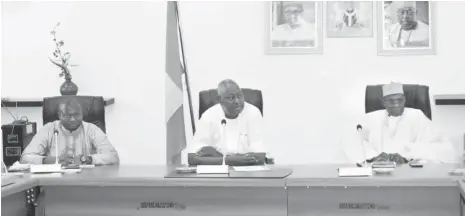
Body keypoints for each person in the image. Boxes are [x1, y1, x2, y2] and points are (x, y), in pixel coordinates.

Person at [343, 82, 459, 165]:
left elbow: (440, 146)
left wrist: (406, 157)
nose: (396, 104)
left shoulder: (417, 116)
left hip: (410, 171)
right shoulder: (371, 118)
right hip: (377, 171)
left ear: (405, 100)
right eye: (391, 101)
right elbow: (352, 142)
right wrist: (372, 157)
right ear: (384, 102)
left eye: (399, 100)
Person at [186, 79, 267, 166]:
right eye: (231, 98)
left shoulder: (253, 113)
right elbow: (192, 158)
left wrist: (219, 156)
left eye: (239, 96)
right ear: (219, 99)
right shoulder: (209, 116)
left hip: (247, 174)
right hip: (217, 176)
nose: (237, 101)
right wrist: (235, 159)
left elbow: (260, 156)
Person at [20, 98, 119, 165]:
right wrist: (53, 160)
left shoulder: (91, 129)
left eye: (76, 115)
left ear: (82, 114)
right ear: (59, 115)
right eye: (67, 115)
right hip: (54, 182)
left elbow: (113, 157)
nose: (72, 119)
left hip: (85, 181)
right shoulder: (48, 129)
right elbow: (25, 158)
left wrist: (88, 159)